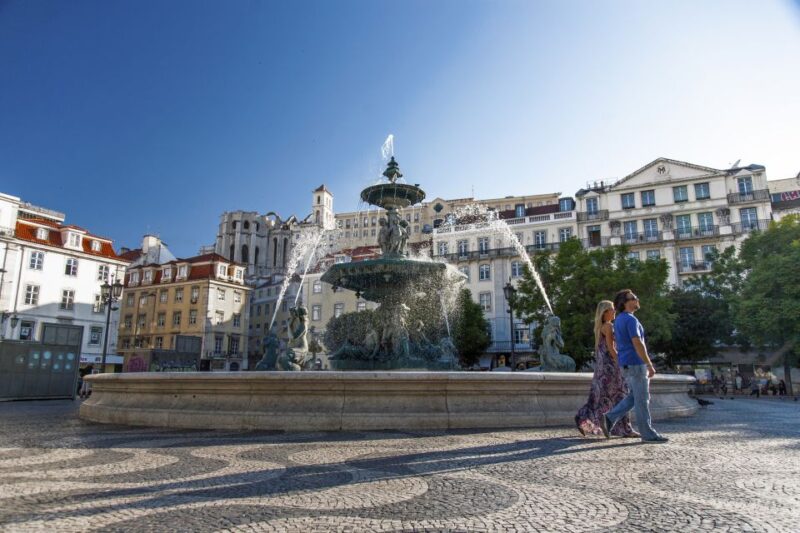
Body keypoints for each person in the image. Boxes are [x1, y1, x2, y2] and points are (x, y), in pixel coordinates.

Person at [601, 289, 668, 443]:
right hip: (636, 363)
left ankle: (609, 418)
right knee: (642, 399)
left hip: (626, 363)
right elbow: (637, 342)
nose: (637, 299)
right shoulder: (631, 320)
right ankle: (648, 435)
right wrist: (649, 364)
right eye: (633, 297)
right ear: (625, 303)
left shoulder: (618, 321)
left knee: (634, 397)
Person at [574, 300, 638, 437]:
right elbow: (611, 348)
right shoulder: (608, 326)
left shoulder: (601, 327)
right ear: (605, 312)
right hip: (611, 367)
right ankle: (626, 429)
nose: (614, 311)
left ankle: (582, 418)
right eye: (612, 309)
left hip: (602, 369)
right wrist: (622, 363)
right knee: (621, 395)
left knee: (599, 398)